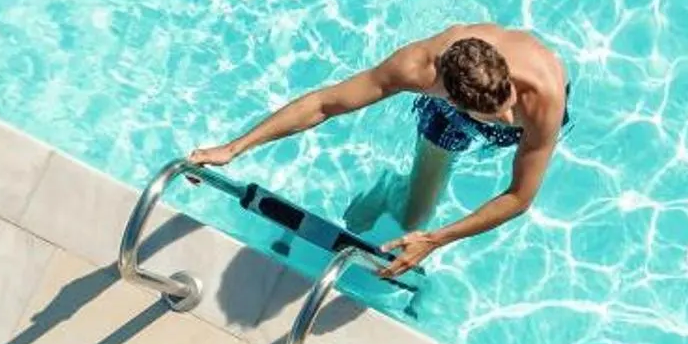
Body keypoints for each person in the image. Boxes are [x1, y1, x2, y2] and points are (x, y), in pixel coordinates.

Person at [185, 23, 568, 279]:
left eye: (507, 104)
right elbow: (325, 104)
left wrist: (437, 240)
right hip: (451, 121)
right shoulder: (416, 70)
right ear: (445, 94)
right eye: (494, 115)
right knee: (414, 216)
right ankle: (390, 189)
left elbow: (520, 196)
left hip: (517, 105)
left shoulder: (541, 96)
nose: (506, 116)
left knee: (520, 143)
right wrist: (233, 149)